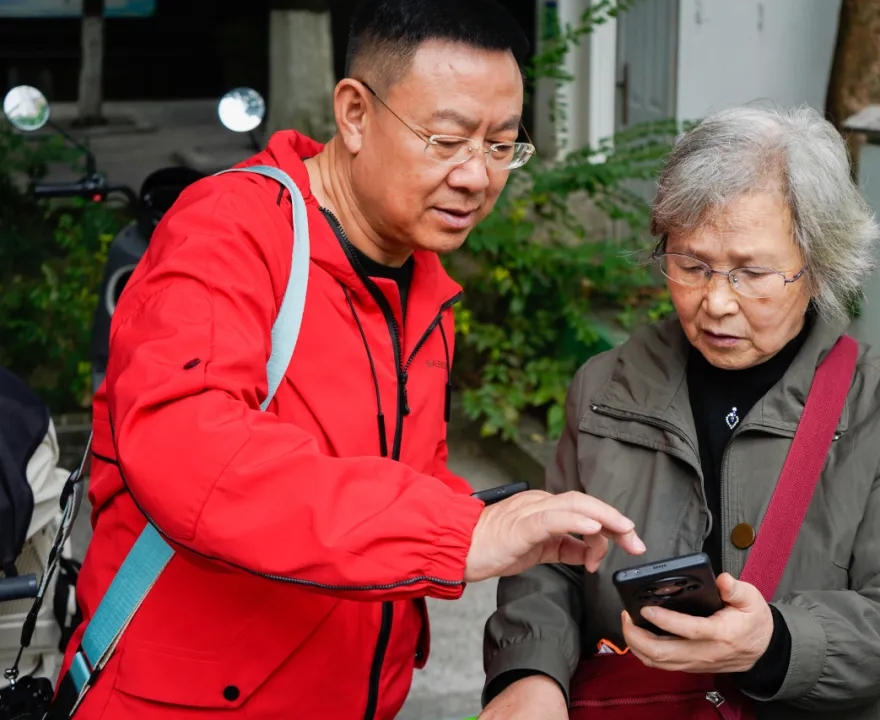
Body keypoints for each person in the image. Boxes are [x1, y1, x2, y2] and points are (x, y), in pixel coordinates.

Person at [54, 1, 645, 717]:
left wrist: (509, 518)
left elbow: (387, 479)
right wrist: (457, 534)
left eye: (501, 146)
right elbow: (191, 454)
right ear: (356, 113)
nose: (477, 176)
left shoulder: (419, 281)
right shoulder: (229, 233)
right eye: (448, 139)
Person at [481, 104, 880, 719]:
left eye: (751, 272)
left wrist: (776, 643)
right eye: (692, 265)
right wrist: (529, 673)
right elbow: (550, 568)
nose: (715, 303)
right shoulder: (606, 387)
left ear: (818, 268)